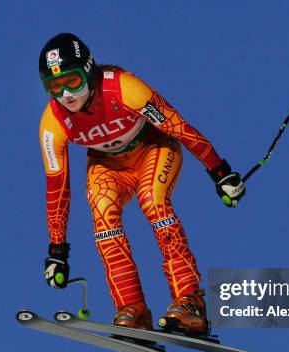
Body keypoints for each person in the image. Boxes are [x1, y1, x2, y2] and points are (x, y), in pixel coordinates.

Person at [38, 33, 245, 336]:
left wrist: (220, 171)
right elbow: (57, 189)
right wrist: (57, 251)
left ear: (89, 71)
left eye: (73, 81)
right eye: (54, 87)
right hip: (107, 165)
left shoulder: (123, 88)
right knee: (103, 215)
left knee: (153, 201)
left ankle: (190, 302)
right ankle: (132, 309)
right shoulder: (53, 122)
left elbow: (178, 127)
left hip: (153, 148)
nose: (66, 95)